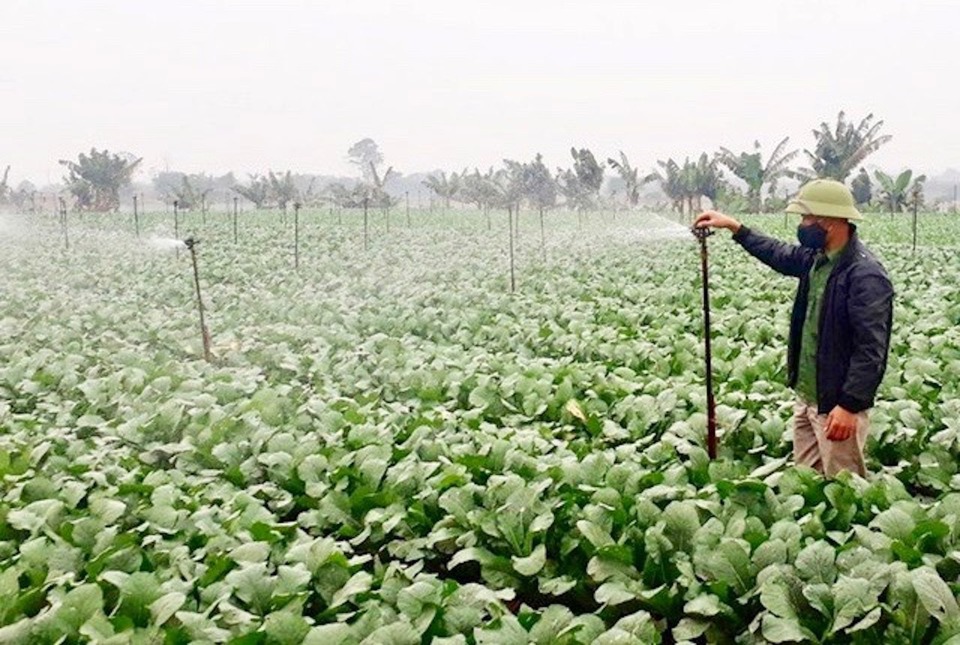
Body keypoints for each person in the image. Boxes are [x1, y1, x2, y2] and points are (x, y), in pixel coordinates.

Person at [694, 179, 894, 477]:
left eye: (806, 218)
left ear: (830, 221)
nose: (802, 225)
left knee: (845, 492)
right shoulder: (816, 259)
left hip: (836, 405)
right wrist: (736, 229)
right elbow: (779, 254)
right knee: (806, 482)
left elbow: (871, 349)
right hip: (808, 397)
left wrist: (850, 406)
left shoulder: (865, 275)